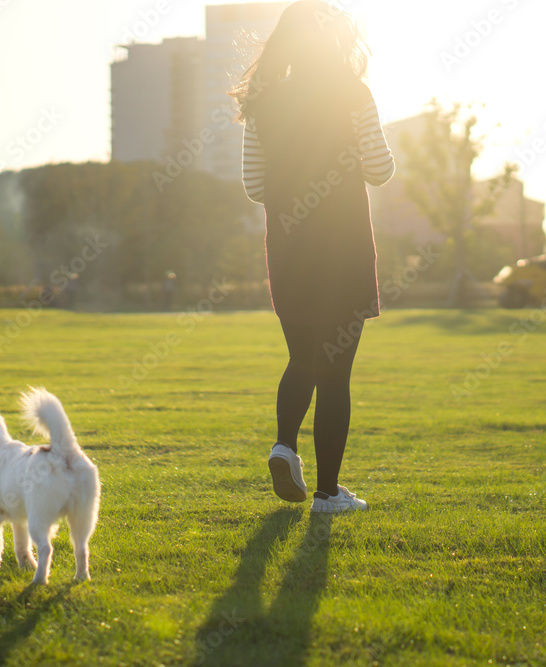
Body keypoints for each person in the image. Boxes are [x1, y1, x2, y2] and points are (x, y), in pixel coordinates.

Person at [231, 0, 395, 513]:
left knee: (302, 357)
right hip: (342, 249)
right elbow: (381, 170)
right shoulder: (353, 94)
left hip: (289, 250)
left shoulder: (262, 103)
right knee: (335, 372)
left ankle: (285, 446)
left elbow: (254, 185)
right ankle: (328, 493)